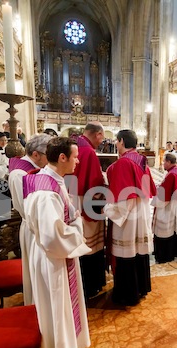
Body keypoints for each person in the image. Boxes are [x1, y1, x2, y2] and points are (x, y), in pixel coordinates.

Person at [21, 136, 91, 348]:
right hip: (53, 259)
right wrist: (78, 226)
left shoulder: (44, 178)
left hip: (50, 255)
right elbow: (54, 236)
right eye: (75, 156)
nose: (78, 160)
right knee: (55, 311)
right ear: (62, 158)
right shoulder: (48, 192)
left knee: (55, 309)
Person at [104, 129, 156, 306]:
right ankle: (140, 288)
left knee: (127, 252)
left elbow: (124, 201)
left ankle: (128, 294)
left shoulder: (124, 163)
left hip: (128, 218)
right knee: (138, 252)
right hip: (140, 213)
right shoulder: (141, 161)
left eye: (117, 142)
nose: (116, 145)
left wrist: (108, 210)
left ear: (121, 141)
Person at [8, 134, 51, 304]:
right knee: (37, 273)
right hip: (35, 229)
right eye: (49, 155)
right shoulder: (20, 173)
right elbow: (26, 209)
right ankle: (37, 306)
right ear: (36, 154)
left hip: (43, 226)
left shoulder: (36, 168)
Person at [73, 122, 107, 299]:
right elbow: (94, 185)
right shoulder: (89, 152)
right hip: (85, 202)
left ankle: (78, 284)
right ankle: (90, 286)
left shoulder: (74, 145)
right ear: (99, 134)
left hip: (71, 200)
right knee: (90, 245)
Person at [152, 153, 177, 263]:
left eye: (163, 162)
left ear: (169, 162)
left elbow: (164, 195)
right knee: (172, 229)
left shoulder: (171, 175)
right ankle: (173, 252)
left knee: (164, 230)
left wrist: (157, 190)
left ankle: (164, 255)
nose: (162, 164)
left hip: (168, 206)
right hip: (176, 205)